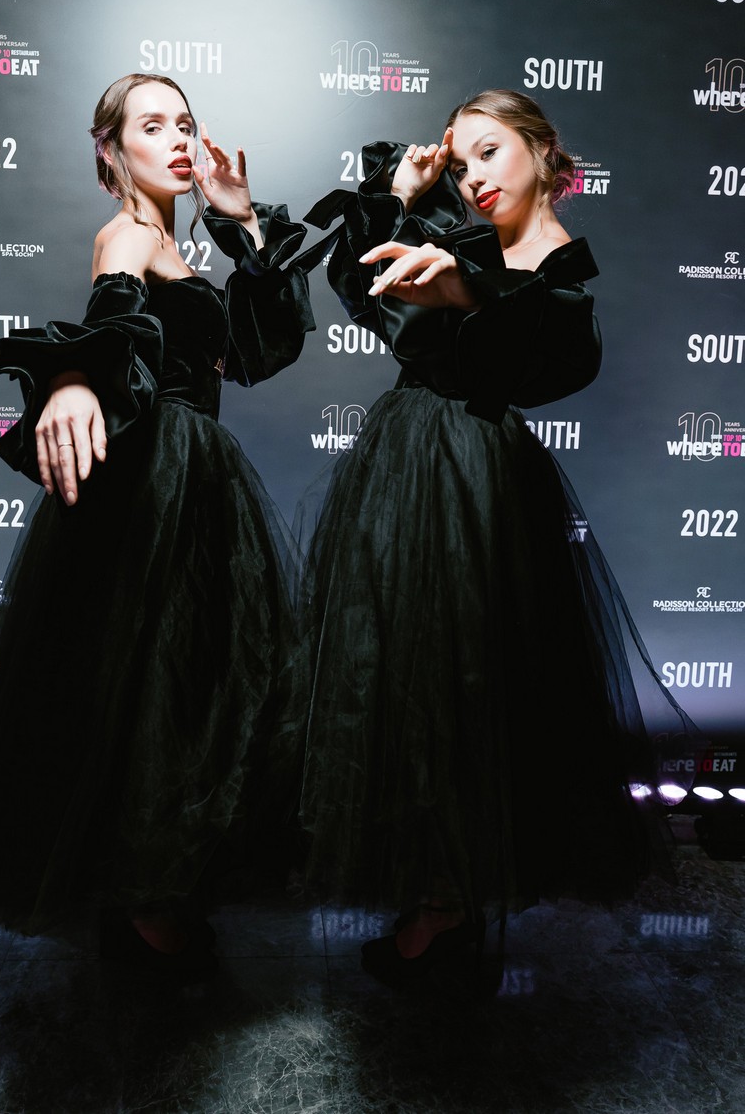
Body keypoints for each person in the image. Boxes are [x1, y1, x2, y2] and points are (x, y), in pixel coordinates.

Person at [0, 73, 320, 974]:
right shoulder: (128, 233)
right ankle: (145, 912)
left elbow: (255, 353)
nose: (177, 139)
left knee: (181, 690)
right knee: (159, 691)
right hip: (158, 482)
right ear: (112, 150)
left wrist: (242, 223)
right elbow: (112, 310)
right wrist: (69, 379)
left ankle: (154, 898)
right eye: (152, 125)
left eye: (186, 123)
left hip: (195, 478)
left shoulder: (176, 244)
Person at [298, 90, 695, 985]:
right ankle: (438, 896)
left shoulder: (554, 269)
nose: (474, 175)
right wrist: (401, 197)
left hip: (470, 478)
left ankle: (447, 910)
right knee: (410, 682)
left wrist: (465, 286)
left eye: (491, 150)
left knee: (467, 682)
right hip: (402, 463)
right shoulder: (458, 234)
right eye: (462, 159)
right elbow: (363, 293)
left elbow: (554, 348)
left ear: (543, 151)